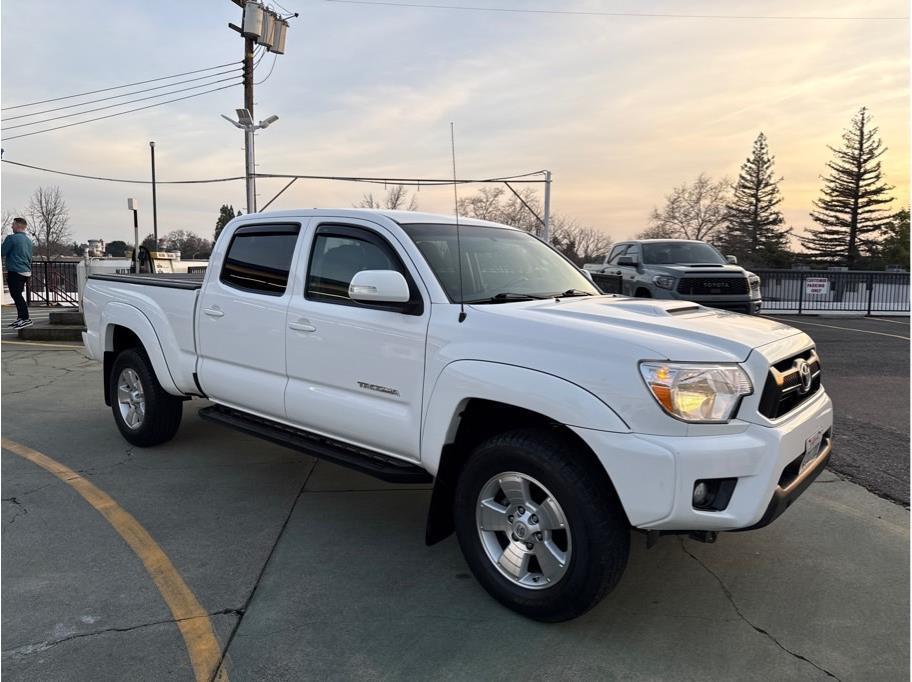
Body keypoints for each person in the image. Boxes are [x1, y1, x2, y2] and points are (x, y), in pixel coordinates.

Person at [2, 217, 34, 328]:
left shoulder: (12, 238)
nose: (11, 226)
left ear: (18, 226)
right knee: (17, 295)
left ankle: (26, 318)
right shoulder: (29, 241)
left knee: (16, 295)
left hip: (15, 270)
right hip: (26, 271)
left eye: (13, 224)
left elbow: (2, 251)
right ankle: (21, 318)